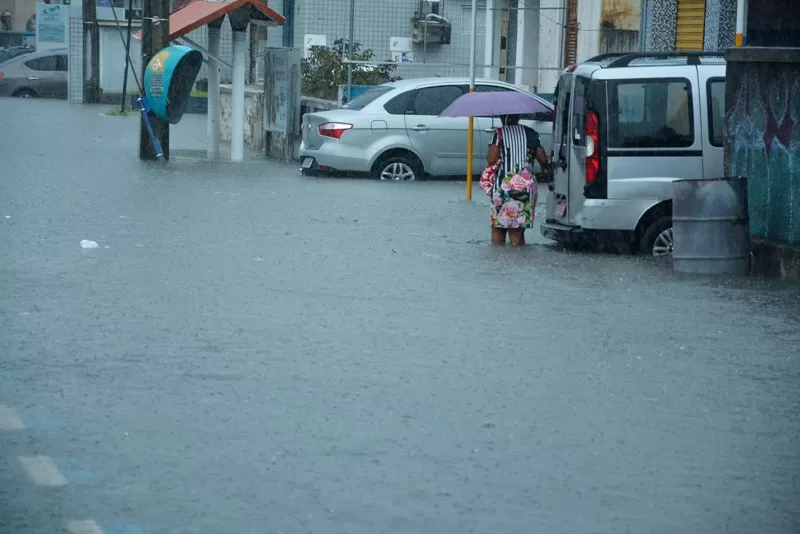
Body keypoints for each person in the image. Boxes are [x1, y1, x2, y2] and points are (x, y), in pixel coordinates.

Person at [480, 114, 550, 246]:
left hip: (503, 186)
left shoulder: (498, 133)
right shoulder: (532, 133)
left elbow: (491, 159)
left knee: (498, 229)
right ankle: (519, 262)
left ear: (502, 117)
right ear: (518, 116)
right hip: (525, 188)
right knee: (517, 231)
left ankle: (498, 263)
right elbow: (543, 159)